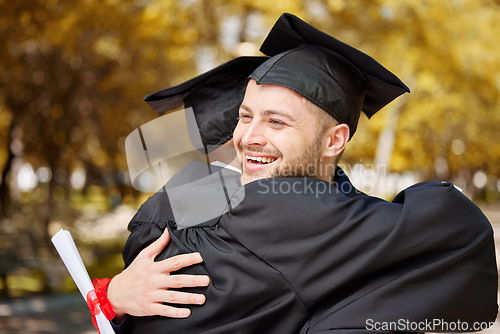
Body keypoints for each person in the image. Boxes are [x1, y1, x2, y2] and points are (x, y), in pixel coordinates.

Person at [108, 13, 498, 333]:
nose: (248, 137)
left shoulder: (221, 202)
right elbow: (459, 242)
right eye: (245, 116)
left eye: (277, 122)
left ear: (334, 141)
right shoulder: (343, 219)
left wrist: (111, 296)